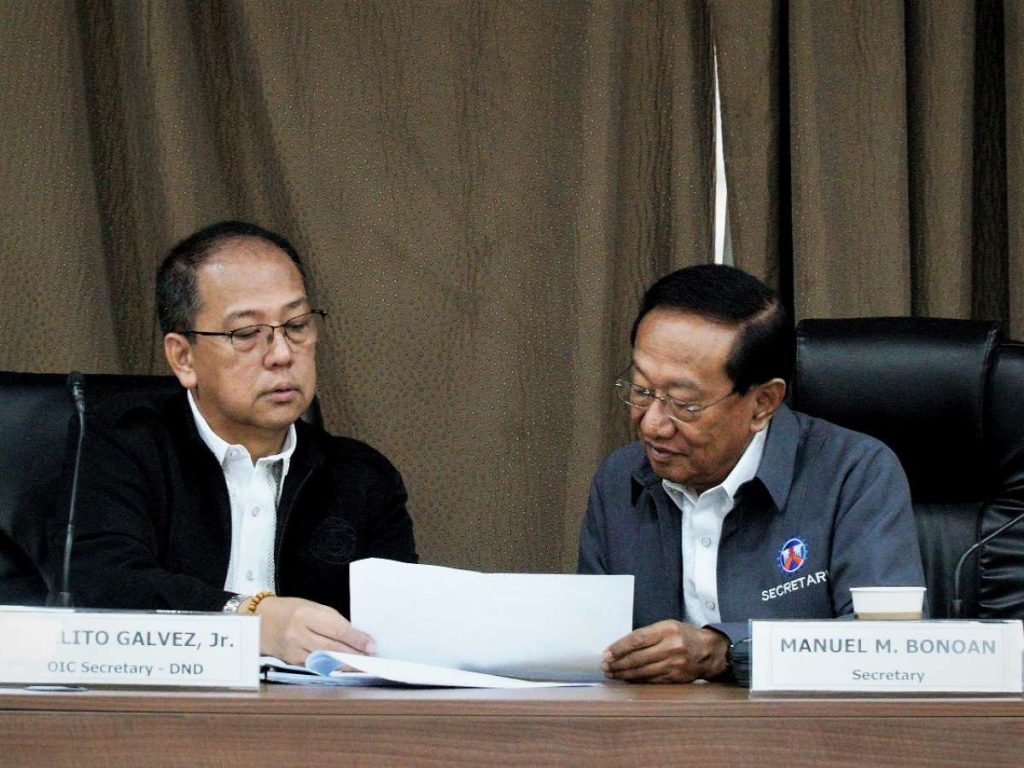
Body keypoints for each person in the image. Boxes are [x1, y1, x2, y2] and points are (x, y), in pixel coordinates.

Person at [58, 221, 417, 664]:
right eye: (246, 334)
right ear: (183, 357)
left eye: (297, 325)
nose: (282, 353)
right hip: (154, 717)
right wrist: (249, 619)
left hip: (315, 723)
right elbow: (104, 584)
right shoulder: (120, 446)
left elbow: (396, 630)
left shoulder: (362, 478)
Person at [578, 264, 925, 685]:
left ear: (762, 403)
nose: (652, 424)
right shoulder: (621, 479)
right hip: (656, 739)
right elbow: (593, 648)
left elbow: (886, 646)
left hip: (808, 739)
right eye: (641, 390)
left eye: (684, 404)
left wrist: (726, 652)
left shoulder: (854, 473)